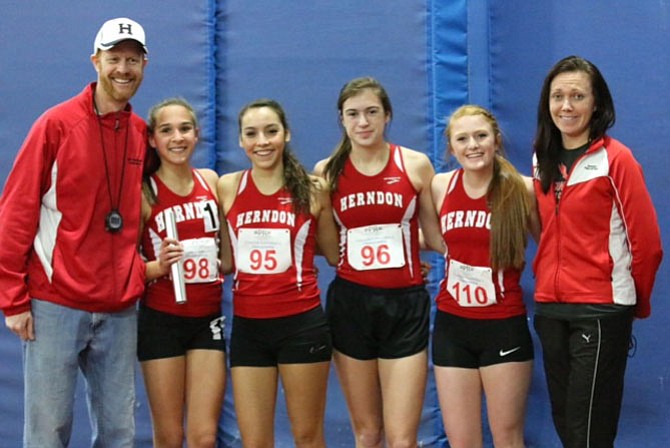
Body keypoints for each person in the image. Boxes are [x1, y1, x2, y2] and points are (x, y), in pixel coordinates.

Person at [0, 17, 148, 446]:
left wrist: (136, 275)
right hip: (54, 303)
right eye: (114, 58)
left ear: (145, 64)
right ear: (95, 61)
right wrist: (12, 296)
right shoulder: (57, 124)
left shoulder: (140, 134)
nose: (124, 69)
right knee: (48, 431)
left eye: (133, 60)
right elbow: (16, 209)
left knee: (120, 431)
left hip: (119, 308)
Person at [532, 55, 663, 448]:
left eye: (577, 96)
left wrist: (630, 304)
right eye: (558, 96)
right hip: (551, 309)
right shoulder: (543, 159)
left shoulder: (616, 159)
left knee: (588, 431)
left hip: (601, 310)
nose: (566, 106)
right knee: (565, 423)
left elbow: (648, 244)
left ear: (596, 104)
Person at [314, 76, 444, 448]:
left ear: (387, 116)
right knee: (368, 433)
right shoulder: (327, 172)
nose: (363, 122)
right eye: (353, 114)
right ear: (341, 119)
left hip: (405, 305)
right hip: (351, 305)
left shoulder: (415, 165)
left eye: (372, 112)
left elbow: (434, 237)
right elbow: (323, 243)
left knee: (403, 438)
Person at [217, 98, 339, 447]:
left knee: (307, 435)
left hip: (301, 325)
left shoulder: (314, 190)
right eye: (252, 134)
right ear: (241, 141)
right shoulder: (228, 187)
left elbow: (335, 253)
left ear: (286, 134)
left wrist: (406, 254)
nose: (262, 141)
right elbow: (226, 259)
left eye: (271, 131)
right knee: (254, 441)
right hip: (249, 329)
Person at [430, 105, 539, 448]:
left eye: (481, 136)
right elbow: (426, 237)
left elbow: (553, 246)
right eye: (462, 138)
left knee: (507, 437)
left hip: (502, 325)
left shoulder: (523, 189)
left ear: (496, 140)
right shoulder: (440, 186)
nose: (472, 145)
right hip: (452, 326)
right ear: (451, 147)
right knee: (462, 441)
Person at [138, 98, 226, 448]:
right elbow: (119, 265)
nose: (177, 137)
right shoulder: (143, 191)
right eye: (167, 130)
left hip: (207, 318)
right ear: (152, 139)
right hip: (162, 320)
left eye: (185, 128)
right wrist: (157, 266)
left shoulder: (211, 181)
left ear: (197, 134)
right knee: (170, 435)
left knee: (204, 437)